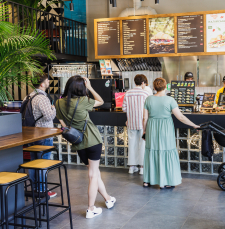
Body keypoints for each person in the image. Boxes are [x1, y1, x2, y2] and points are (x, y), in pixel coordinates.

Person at [56, 76, 115, 219]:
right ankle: (91, 208)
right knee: (93, 174)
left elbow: (62, 123)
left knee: (94, 172)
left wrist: (71, 129)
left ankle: (108, 199)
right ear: (81, 88)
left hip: (78, 142)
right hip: (93, 140)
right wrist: (90, 87)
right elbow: (101, 101)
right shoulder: (84, 101)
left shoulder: (58, 102)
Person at [142, 78, 200, 188]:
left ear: (154, 88)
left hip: (152, 129)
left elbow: (145, 118)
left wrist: (144, 131)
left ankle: (147, 180)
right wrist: (194, 125)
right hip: (166, 129)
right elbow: (181, 117)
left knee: (151, 152)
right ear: (165, 87)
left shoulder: (148, 99)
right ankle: (167, 181)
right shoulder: (170, 100)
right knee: (166, 152)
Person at [25, 73, 57, 198]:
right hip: (43, 135)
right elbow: (49, 116)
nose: (49, 81)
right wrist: (53, 108)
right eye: (47, 80)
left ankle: (35, 189)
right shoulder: (42, 98)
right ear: (42, 84)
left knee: (34, 162)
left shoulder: (29, 96)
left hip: (31, 134)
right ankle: (43, 190)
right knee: (43, 163)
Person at [122, 74, 149, 175]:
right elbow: (148, 109)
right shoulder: (145, 94)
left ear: (135, 82)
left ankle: (131, 167)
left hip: (131, 123)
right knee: (142, 145)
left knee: (132, 145)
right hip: (143, 123)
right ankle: (142, 168)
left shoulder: (128, 93)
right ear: (142, 83)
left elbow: (124, 108)